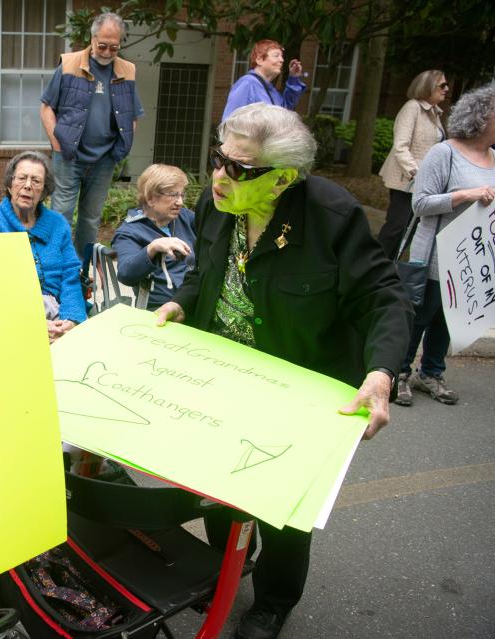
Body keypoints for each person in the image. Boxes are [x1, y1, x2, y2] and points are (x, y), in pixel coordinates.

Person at [155, 103, 412, 639]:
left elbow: (385, 298)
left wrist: (381, 371)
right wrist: (182, 301)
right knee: (218, 490)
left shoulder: (331, 217)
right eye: (218, 159)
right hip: (220, 374)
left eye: (240, 170)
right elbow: (205, 271)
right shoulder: (214, 202)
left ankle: (272, 602)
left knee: (284, 512)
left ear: (282, 181)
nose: (219, 176)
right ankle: (228, 568)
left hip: (298, 384)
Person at [396, 82, 495, 407]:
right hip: (437, 256)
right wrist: (464, 195)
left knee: (449, 321)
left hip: (472, 260)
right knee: (420, 317)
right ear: (481, 118)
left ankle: (431, 373)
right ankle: (399, 374)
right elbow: (420, 204)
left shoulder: (493, 158)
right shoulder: (445, 153)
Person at [40, 11, 144, 258]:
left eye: (114, 47)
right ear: (93, 37)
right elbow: (46, 108)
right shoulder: (69, 64)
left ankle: (82, 268)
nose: (107, 53)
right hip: (68, 155)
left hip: (104, 159)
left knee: (90, 218)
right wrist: (57, 144)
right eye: (103, 46)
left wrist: (121, 148)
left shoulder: (127, 70)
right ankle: (57, 263)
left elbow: (132, 115)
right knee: (61, 213)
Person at [0, 151, 86, 343]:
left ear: (45, 190)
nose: (28, 186)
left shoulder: (57, 224)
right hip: (8, 316)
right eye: (21, 178)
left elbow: (70, 276)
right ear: (9, 184)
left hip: (58, 315)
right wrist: (33, 323)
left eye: (36, 181)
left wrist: (71, 320)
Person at [376, 70, 448, 258]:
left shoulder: (434, 113)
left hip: (422, 183)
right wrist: (416, 172)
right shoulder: (412, 108)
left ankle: (390, 266)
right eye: (442, 85)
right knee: (396, 226)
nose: (446, 89)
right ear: (427, 86)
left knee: (410, 228)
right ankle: (374, 266)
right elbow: (401, 146)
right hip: (406, 181)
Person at [112, 164, 196, 310]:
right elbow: (126, 274)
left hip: (194, 301)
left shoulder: (185, 217)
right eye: (173, 195)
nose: (180, 202)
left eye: (181, 195)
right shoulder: (130, 231)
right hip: (158, 309)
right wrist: (152, 248)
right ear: (150, 198)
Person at [221, 40, 306, 122]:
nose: (282, 60)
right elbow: (230, 121)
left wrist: (293, 77)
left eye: (281, 56)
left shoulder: (271, 90)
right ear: (259, 60)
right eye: (276, 56)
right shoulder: (247, 84)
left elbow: (285, 112)